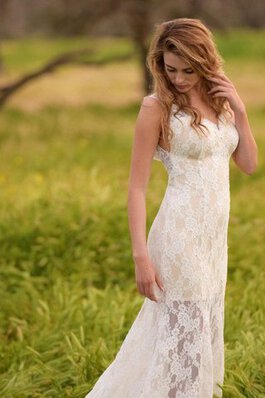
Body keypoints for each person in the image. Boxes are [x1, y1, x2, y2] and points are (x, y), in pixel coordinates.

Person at [85, 17, 258, 398]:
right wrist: (140, 257)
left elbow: (248, 164)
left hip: (213, 238)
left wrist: (241, 112)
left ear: (205, 61)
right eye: (170, 68)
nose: (178, 78)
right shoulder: (156, 107)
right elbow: (136, 188)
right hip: (179, 234)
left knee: (198, 328)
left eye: (188, 70)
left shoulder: (221, 101)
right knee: (188, 331)